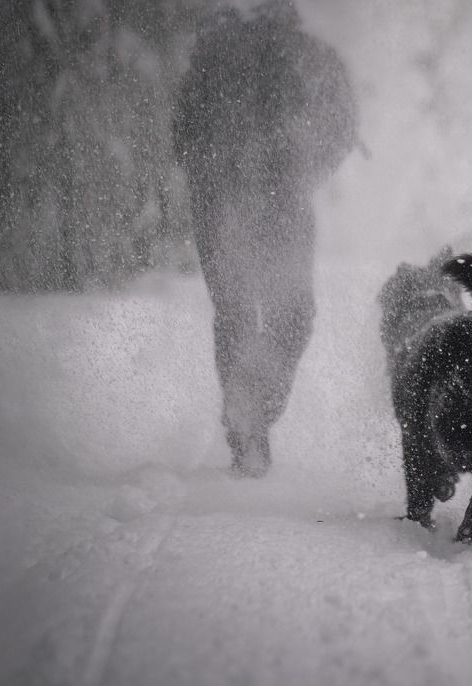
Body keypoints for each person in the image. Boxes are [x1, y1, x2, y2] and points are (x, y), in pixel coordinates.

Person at [173, 0, 358, 476]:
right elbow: (342, 127)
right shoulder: (310, 54)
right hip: (282, 204)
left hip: (219, 205)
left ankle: (245, 423)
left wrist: (212, 181)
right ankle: (256, 412)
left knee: (235, 313)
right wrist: (306, 173)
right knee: (293, 316)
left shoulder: (212, 53)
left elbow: (181, 137)